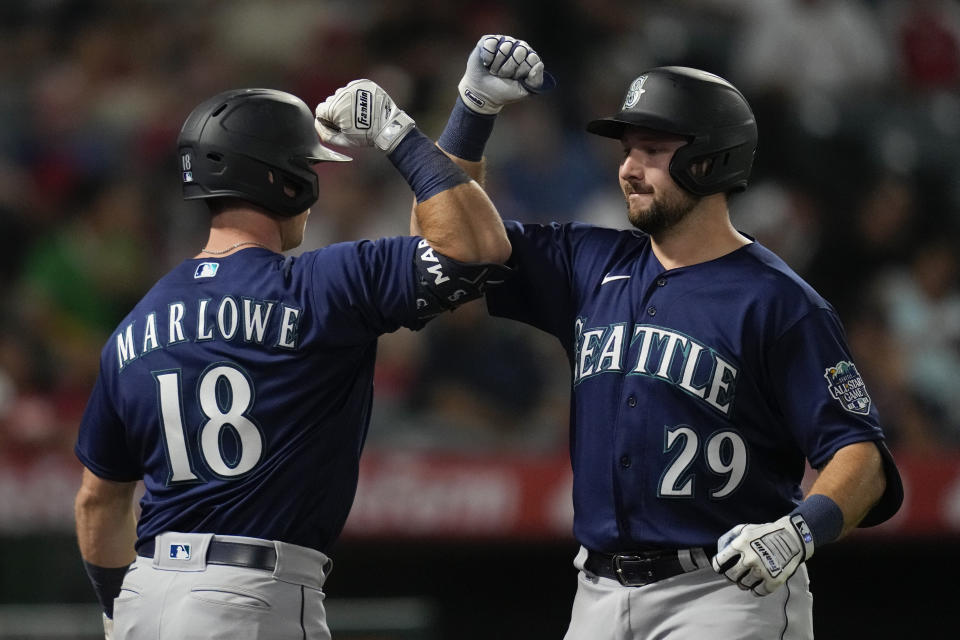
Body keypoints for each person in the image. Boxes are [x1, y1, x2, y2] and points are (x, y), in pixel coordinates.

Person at [432, 36, 904, 639]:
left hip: (725, 592)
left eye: (652, 150)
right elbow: (446, 244)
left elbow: (862, 458)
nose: (628, 167)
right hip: (595, 592)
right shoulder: (587, 262)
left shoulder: (778, 301)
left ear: (710, 160)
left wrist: (799, 530)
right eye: (629, 150)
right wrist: (472, 111)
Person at [72, 61, 549, 639]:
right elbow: (473, 248)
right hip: (249, 596)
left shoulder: (133, 327)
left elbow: (99, 503)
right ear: (286, 180)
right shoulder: (322, 285)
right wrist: (398, 132)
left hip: (145, 594)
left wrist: (114, 609)